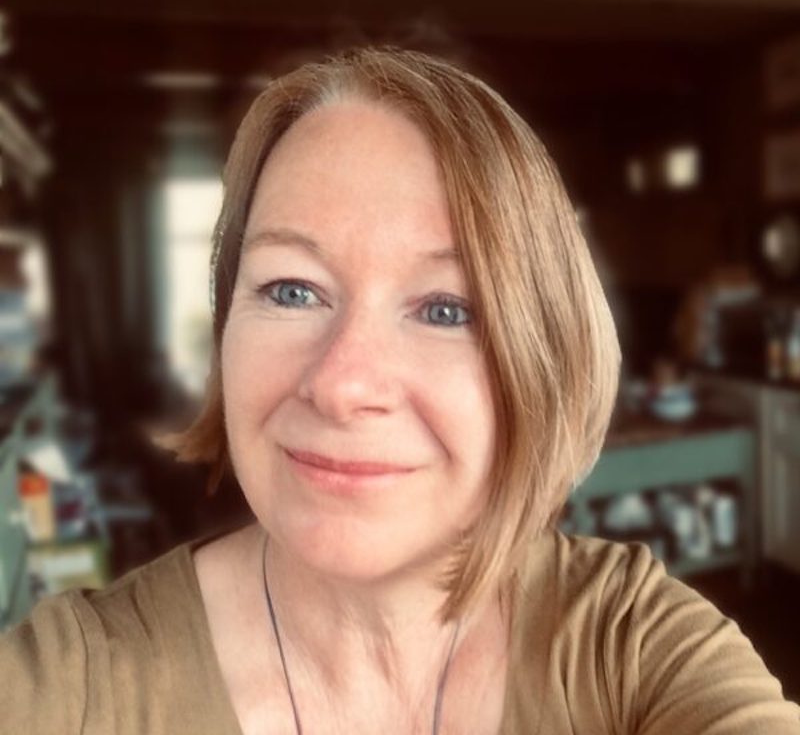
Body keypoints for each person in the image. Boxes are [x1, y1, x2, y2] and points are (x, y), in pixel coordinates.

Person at [1, 45, 798, 735]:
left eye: (446, 309)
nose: (342, 385)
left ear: (543, 358)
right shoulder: (72, 684)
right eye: (291, 290)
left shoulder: (631, 646)